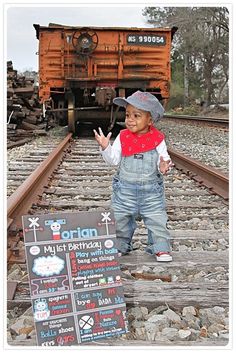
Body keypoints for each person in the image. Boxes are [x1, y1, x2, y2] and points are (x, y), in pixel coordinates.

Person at [93, 90, 173, 262]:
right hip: (124, 192)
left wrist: (164, 166)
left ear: (150, 120)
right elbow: (113, 161)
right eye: (128, 114)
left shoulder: (158, 139)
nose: (130, 119)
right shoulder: (123, 137)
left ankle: (159, 247)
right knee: (120, 218)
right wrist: (106, 148)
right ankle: (120, 245)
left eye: (137, 115)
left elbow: (164, 160)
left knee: (157, 219)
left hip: (151, 193)